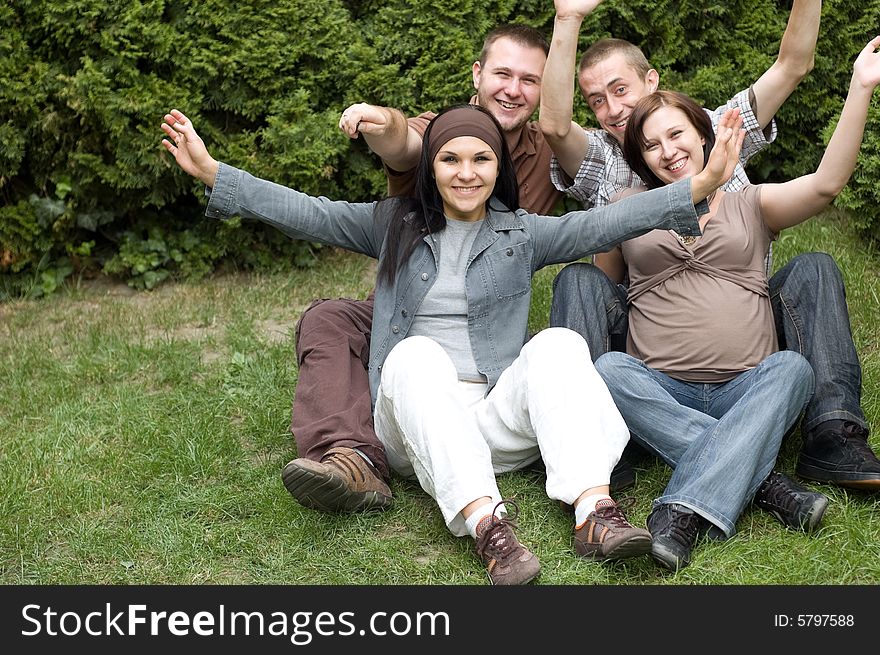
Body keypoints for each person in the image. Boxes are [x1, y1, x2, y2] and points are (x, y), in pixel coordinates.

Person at [160, 102, 745, 584]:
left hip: (492, 420)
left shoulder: (521, 232)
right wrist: (215, 173)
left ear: (498, 169)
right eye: (451, 159)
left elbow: (604, 224)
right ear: (431, 169)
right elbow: (306, 213)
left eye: (481, 159)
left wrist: (703, 183)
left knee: (560, 344)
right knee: (415, 355)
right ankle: (490, 528)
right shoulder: (391, 224)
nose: (467, 173)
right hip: (416, 428)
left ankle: (595, 513)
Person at [281, 24, 623, 517]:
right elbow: (403, 144)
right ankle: (352, 457)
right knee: (333, 321)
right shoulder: (440, 132)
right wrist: (382, 123)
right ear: (478, 74)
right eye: (502, 73)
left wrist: (696, 186)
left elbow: (599, 207)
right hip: (411, 301)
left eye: (530, 79)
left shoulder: (545, 150)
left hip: (488, 332)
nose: (513, 89)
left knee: (557, 349)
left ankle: (589, 489)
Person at [541, 0, 880, 491]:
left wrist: (860, 85)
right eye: (597, 100)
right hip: (651, 342)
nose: (613, 109)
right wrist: (568, 18)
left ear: (653, 83)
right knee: (581, 281)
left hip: (746, 326)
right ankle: (593, 439)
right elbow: (553, 128)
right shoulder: (606, 166)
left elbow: (793, 68)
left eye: (621, 90)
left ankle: (833, 433)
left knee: (814, 269)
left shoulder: (722, 129)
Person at [593, 35, 880, 570]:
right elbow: (605, 292)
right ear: (639, 157)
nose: (667, 151)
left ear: (704, 135)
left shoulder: (751, 202)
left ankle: (681, 509)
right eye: (651, 145)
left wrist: (861, 88)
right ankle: (765, 481)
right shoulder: (625, 210)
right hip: (660, 387)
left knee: (793, 369)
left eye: (676, 134)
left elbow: (826, 186)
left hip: (747, 387)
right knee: (608, 368)